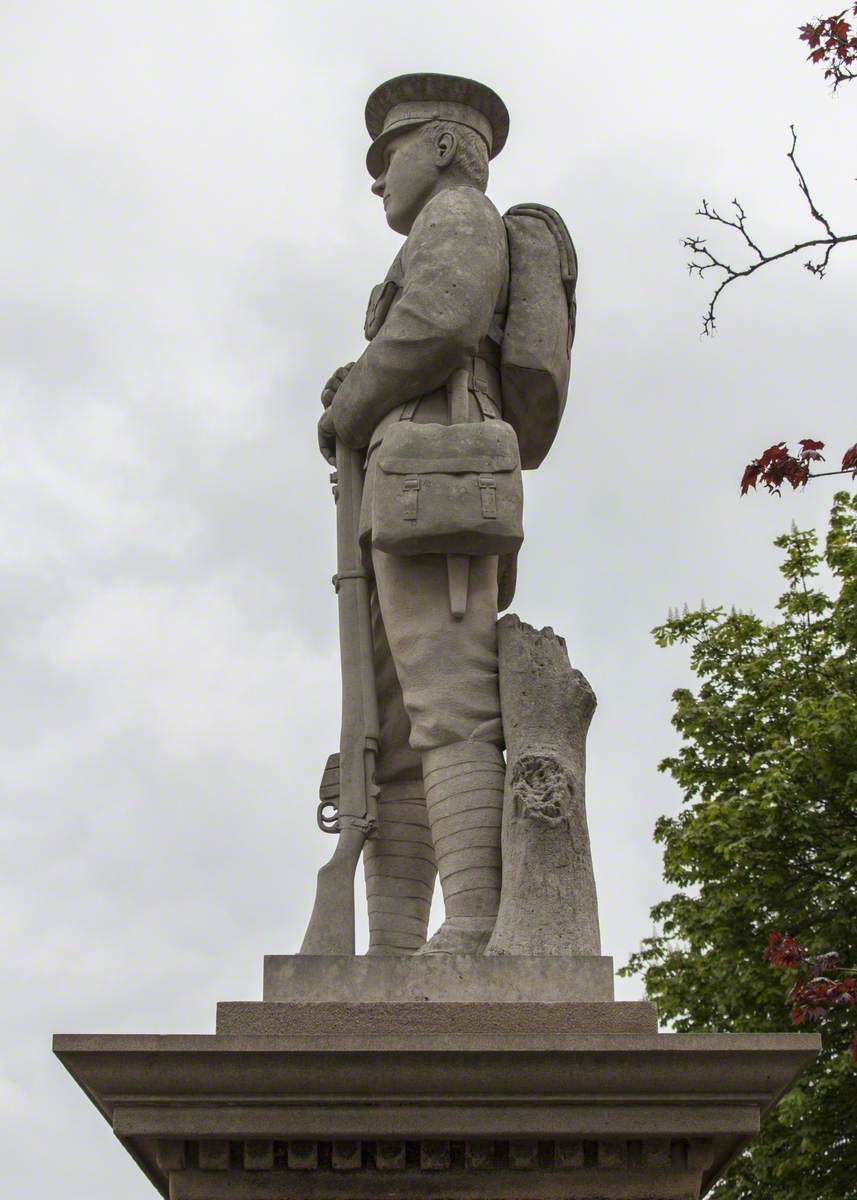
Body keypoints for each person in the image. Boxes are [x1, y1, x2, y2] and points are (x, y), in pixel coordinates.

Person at [318, 74, 513, 955]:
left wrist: (351, 402)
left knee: (448, 705)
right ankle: (395, 949)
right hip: (402, 488)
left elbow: (441, 320)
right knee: (388, 737)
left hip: (435, 482)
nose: (376, 177)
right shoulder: (430, 231)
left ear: (438, 148)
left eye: (386, 153)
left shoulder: (460, 215)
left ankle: (471, 926)